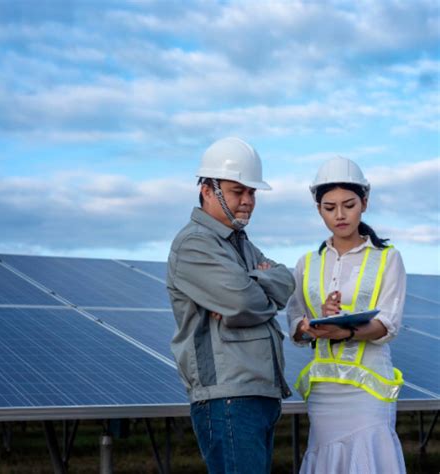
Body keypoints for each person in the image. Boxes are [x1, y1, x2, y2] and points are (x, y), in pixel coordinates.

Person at [167, 137, 295, 474]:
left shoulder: (240, 244)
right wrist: (256, 290)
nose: (248, 201)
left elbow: (286, 281)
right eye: (239, 191)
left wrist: (252, 284)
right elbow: (241, 300)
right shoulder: (195, 243)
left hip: (257, 392)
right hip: (228, 398)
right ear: (208, 190)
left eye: (252, 193)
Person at [286, 156, 406, 473]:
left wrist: (348, 331)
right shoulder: (306, 263)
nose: (339, 215)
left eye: (348, 204)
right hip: (324, 391)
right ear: (318, 209)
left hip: (369, 391)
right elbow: (295, 326)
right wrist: (313, 325)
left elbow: (389, 324)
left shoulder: (388, 258)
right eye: (329, 207)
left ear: (364, 202)